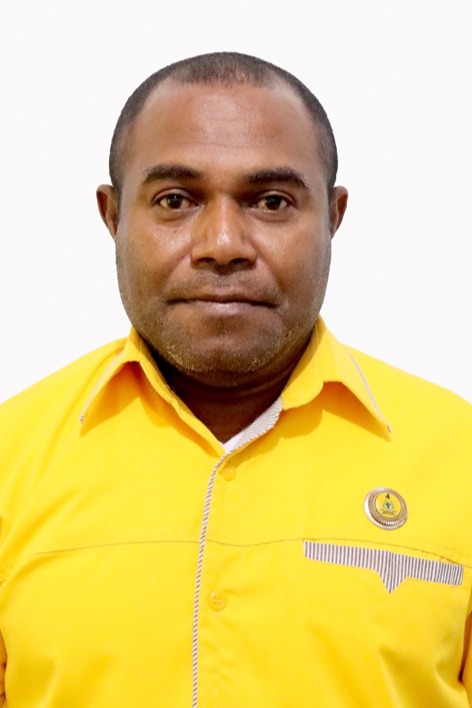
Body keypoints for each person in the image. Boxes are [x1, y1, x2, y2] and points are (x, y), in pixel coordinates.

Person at [0, 51, 471, 708]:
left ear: (333, 218)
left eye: (272, 201)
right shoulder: (10, 459)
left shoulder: (459, 459)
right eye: (175, 200)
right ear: (113, 217)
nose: (223, 244)